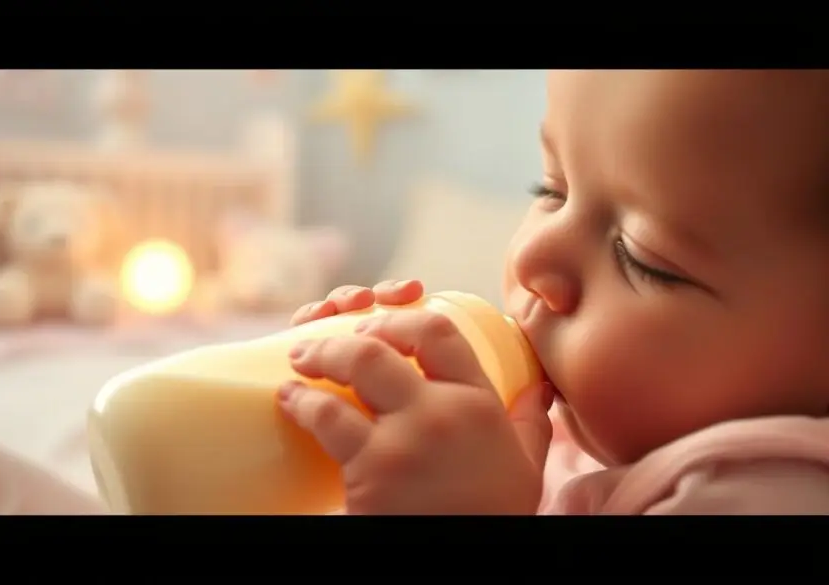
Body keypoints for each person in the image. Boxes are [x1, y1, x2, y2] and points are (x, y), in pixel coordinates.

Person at [277, 70, 829, 514]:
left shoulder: (752, 493)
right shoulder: (597, 438)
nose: (531, 258)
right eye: (551, 188)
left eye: (641, 257)